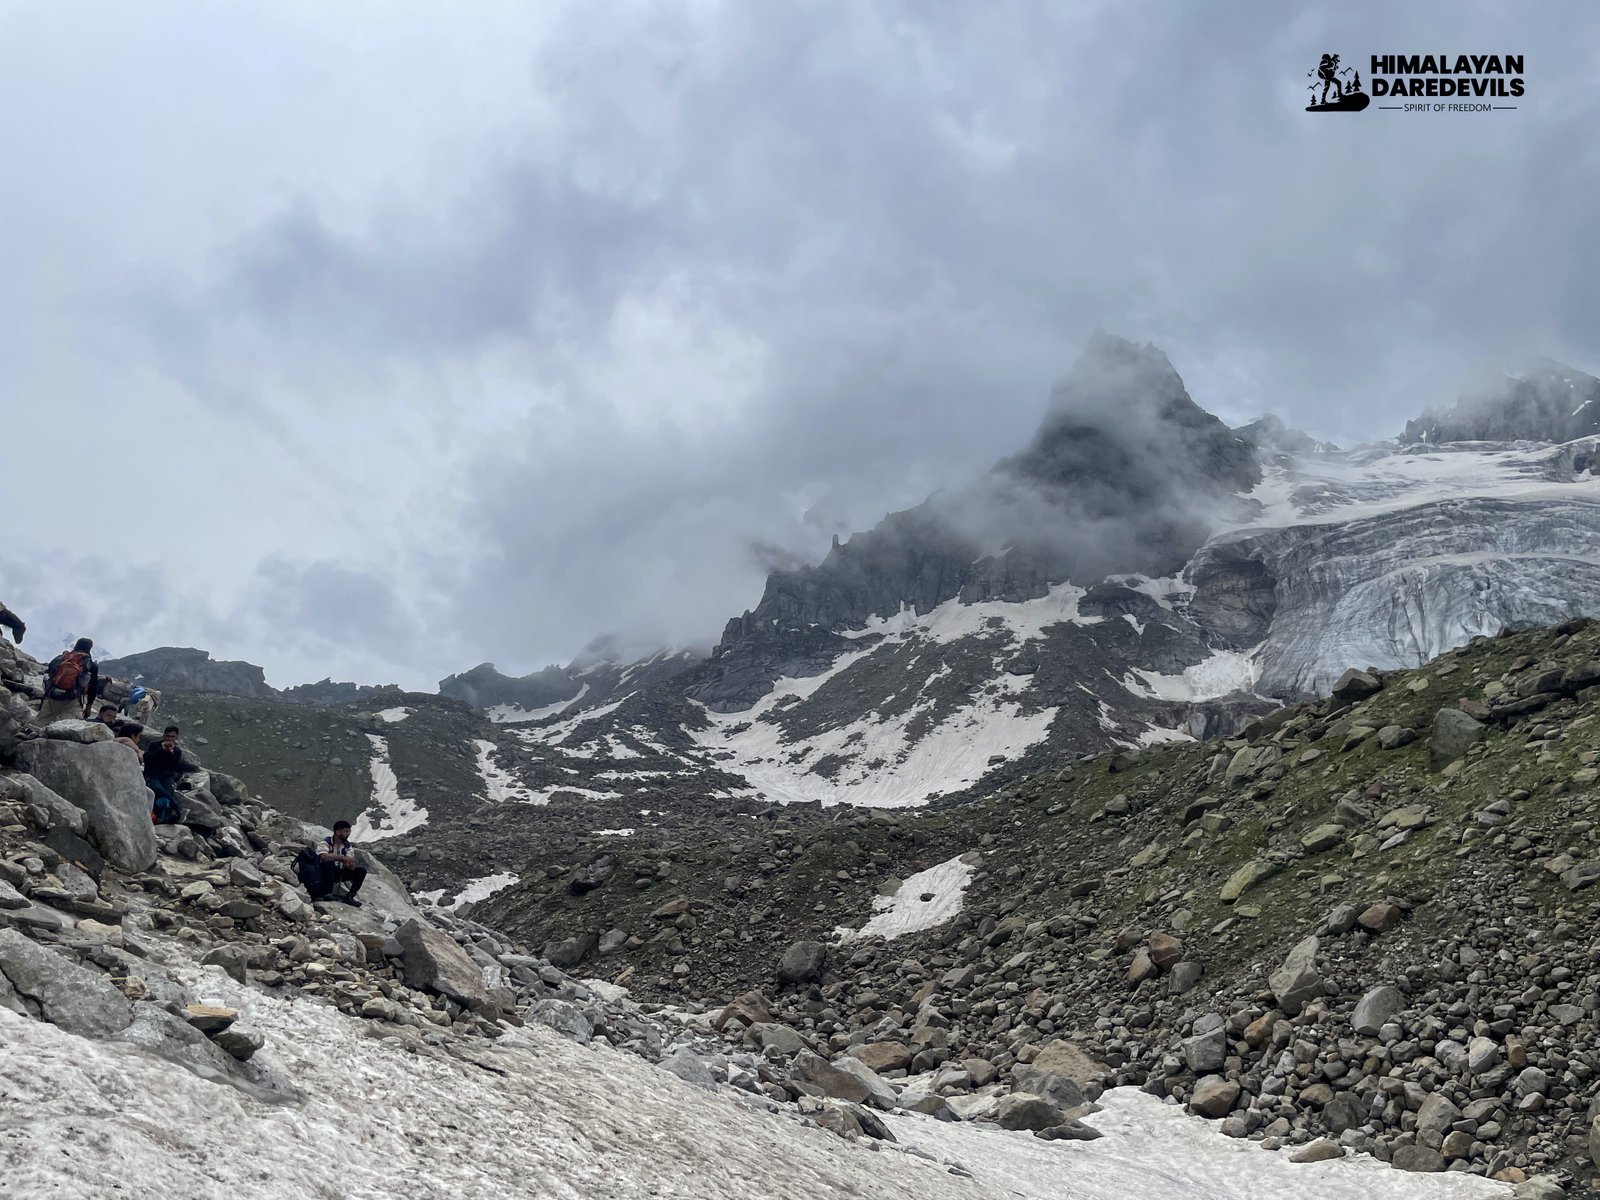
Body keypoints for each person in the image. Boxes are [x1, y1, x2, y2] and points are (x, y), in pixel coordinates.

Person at [38, 638, 99, 724]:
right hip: (73, 699)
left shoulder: (60, 658)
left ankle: (29, 732)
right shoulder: (91, 665)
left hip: (53, 695)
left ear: (76, 645)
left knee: (40, 721)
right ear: (90, 649)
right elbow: (92, 687)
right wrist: (88, 706)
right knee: (66, 725)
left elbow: (48, 675)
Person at [143, 725, 192, 825]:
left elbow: (174, 766)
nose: (169, 739)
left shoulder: (177, 751)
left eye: (172, 737)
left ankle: (166, 816)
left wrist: (170, 753)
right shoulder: (154, 745)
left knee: (168, 791)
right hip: (153, 775)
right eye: (167, 736)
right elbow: (147, 759)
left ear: (176, 738)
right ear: (164, 736)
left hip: (167, 777)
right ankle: (176, 809)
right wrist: (162, 750)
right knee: (158, 789)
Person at [316, 820, 367, 907]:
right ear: (338, 832)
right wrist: (342, 858)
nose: (348, 834)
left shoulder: (347, 846)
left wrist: (350, 865)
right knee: (329, 862)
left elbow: (349, 862)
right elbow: (323, 856)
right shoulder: (326, 842)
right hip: (323, 872)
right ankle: (326, 893)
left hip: (338, 872)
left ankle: (350, 897)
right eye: (346, 831)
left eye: (349, 831)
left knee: (361, 870)